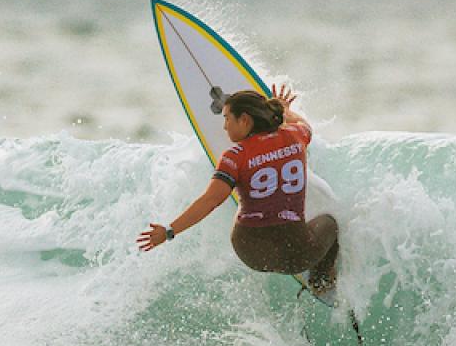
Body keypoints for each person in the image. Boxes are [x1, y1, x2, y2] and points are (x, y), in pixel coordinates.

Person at [136, 82, 341, 299]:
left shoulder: (234, 156)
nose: (224, 126)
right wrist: (285, 111)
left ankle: (250, 200)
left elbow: (210, 201)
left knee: (245, 196)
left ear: (244, 120)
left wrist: (169, 231)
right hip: (297, 255)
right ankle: (321, 279)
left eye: (227, 118)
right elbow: (303, 123)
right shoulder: (296, 136)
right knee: (330, 223)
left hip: (251, 253)